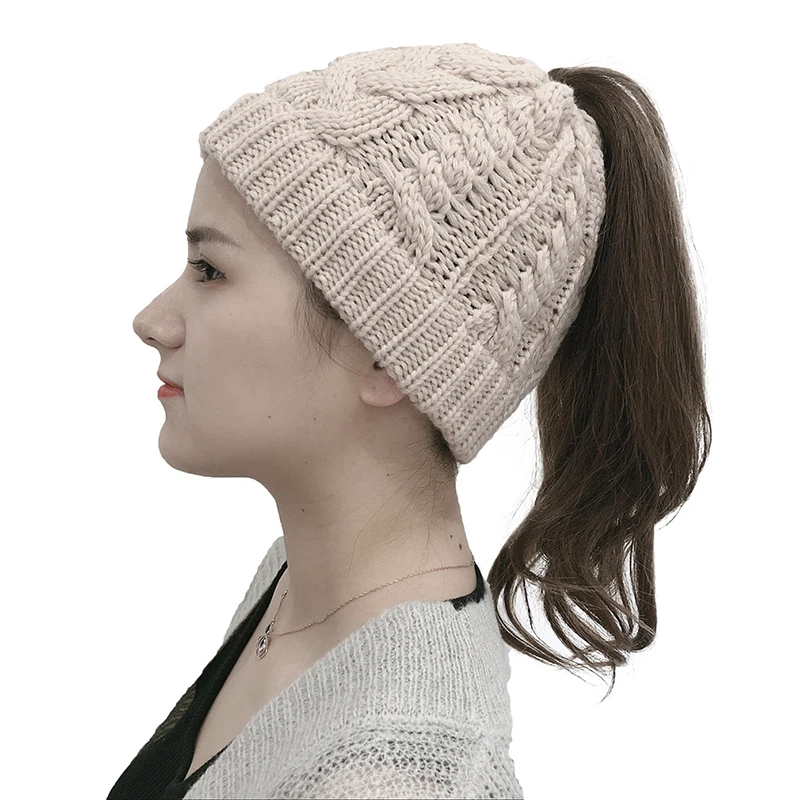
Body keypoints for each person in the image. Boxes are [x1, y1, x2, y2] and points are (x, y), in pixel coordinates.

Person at [113, 42, 711, 800]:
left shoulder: (404, 776)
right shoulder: (300, 589)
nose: (152, 321)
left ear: (386, 354)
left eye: (210, 271)